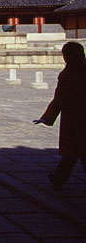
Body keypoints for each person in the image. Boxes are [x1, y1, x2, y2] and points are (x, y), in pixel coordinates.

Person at [34, 42, 86, 190]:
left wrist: (47, 117)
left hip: (74, 118)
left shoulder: (68, 74)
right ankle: (58, 178)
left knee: (73, 152)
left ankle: (58, 179)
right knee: (76, 153)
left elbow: (60, 98)